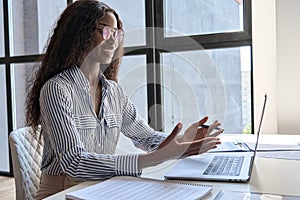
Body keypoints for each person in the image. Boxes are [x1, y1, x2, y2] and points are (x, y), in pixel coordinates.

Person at [25, 0, 223, 199]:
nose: (113, 41)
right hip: (62, 191)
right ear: (79, 33)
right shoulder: (56, 89)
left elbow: (146, 137)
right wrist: (150, 160)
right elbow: (74, 163)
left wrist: (182, 140)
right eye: (105, 31)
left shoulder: (113, 92)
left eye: (116, 33)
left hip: (101, 188)